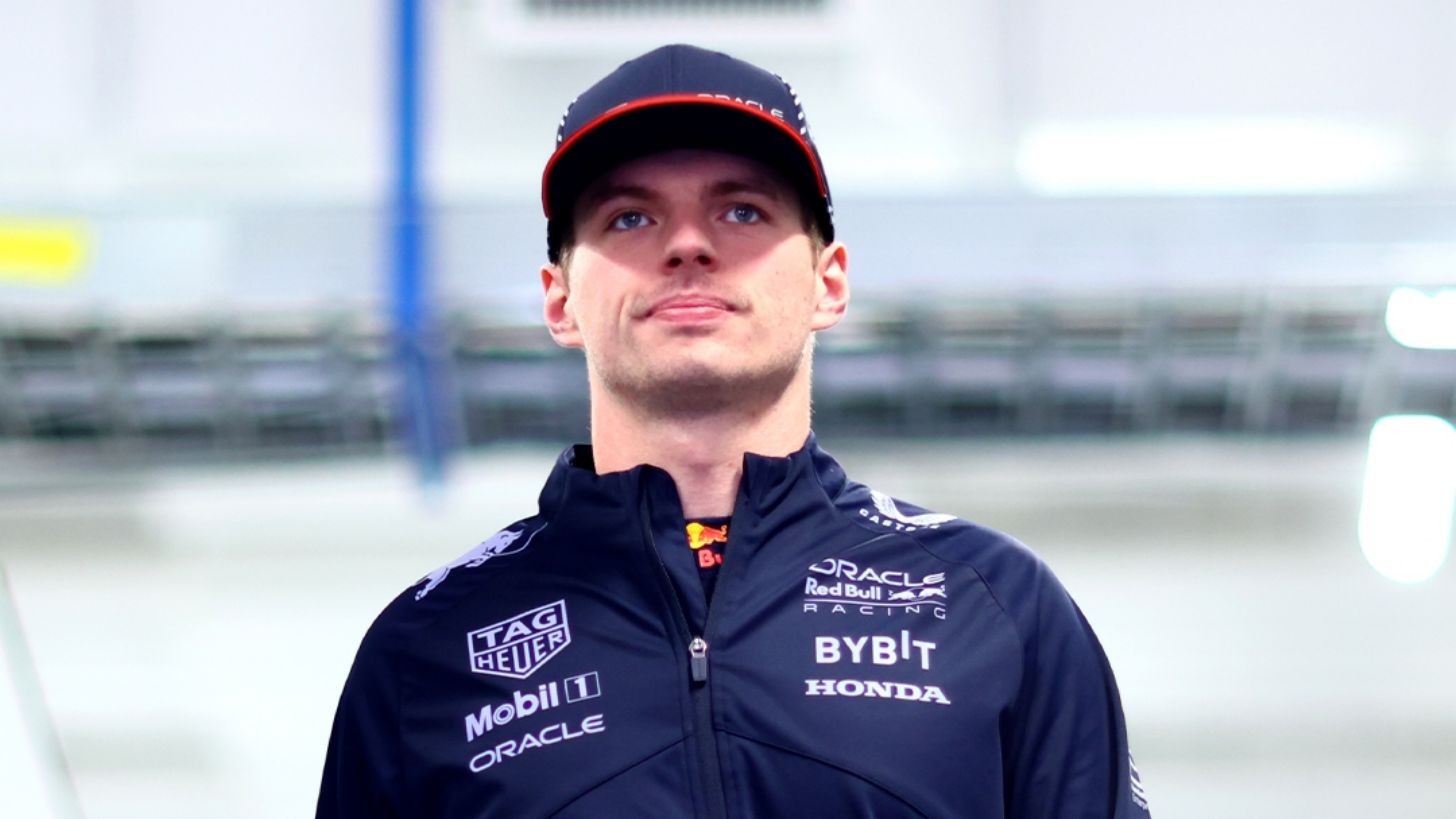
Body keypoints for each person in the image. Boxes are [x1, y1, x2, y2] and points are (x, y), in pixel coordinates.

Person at [317, 44, 1152, 819]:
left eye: (743, 211)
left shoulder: (991, 602)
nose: (688, 244)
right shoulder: (427, 647)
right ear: (560, 299)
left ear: (828, 283)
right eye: (630, 219)